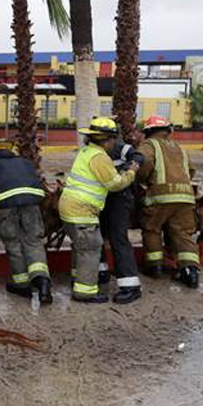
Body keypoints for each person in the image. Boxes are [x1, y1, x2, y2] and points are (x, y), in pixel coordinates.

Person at [59, 117, 139, 303]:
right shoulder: (100, 157)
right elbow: (114, 184)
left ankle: (78, 280)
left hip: (69, 208)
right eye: (113, 140)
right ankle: (85, 292)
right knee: (90, 248)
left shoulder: (86, 152)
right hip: (82, 211)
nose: (115, 144)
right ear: (108, 139)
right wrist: (131, 172)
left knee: (80, 246)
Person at [0, 138, 52, 304]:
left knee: (13, 244)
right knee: (34, 242)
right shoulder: (25, 162)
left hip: (6, 208)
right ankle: (43, 283)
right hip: (32, 205)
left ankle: (22, 285)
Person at [137, 116, 200, 288]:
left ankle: (155, 267)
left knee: (152, 229)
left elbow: (143, 165)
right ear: (168, 131)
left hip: (159, 198)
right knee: (183, 234)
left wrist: (141, 180)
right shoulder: (180, 148)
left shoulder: (149, 145)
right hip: (186, 198)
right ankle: (190, 272)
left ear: (147, 132)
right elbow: (192, 170)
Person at [97, 134, 145, 304]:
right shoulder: (94, 151)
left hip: (119, 198)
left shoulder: (123, 149)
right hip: (100, 199)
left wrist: (129, 169)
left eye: (101, 138)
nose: (98, 142)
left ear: (111, 138)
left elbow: (138, 157)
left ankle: (130, 286)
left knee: (118, 238)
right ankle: (101, 272)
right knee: (98, 237)